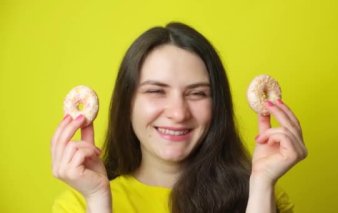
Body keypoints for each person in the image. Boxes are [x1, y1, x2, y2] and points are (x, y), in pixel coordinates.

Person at [51, 22, 307, 213]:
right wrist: (98, 199)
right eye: (155, 91)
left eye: (197, 93)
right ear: (127, 103)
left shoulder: (266, 196)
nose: (178, 113)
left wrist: (261, 185)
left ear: (217, 106)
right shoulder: (79, 204)